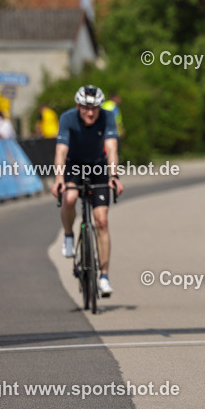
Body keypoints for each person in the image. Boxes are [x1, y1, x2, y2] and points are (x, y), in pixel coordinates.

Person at [51, 85, 124, 298]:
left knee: (101, 220)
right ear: (78, 106)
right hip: (73, 165)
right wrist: (59, 179)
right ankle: (68, 235)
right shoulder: (67, 119)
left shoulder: (108, 117)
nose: (90, 113)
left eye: (94, 108)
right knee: (70, 197)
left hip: (98, 165)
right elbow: (61, 151)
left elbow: (111, 149)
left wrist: (113, 176)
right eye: (85, 108)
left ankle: (104, 277)